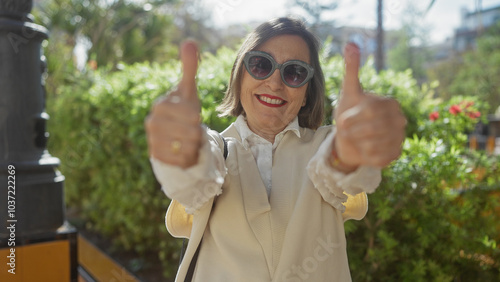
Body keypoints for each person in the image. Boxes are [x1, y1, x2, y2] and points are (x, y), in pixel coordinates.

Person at [145, 17, 406, 282]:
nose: (274, 83)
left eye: (294, 72)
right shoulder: (214, 150)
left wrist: (351, 152)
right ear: (240, 75)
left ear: (306, 92)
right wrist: (181, 150)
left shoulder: (322, 148)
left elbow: (338, 166)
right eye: (260, 65)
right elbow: (194, 176)